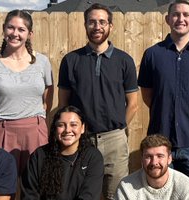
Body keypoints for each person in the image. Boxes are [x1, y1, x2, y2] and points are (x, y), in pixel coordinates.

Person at [57, 3, 138, 199]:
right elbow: (63, 105)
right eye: (92, 22)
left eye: (102, 22)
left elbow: (133, 103)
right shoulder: (71, 60)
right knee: (79, 193)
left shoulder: (124, 61)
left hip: (114, 142)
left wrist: (118, 130)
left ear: (111, 26)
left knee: (116, 195)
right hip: (80, 141)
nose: (97, 26)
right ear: (85, 25)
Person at [138, 0, 189, 194]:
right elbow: (148, 95)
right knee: (160, 194)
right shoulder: (152, 55)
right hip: (160, 140)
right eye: (175, 14)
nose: (180, 19)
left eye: (185, 15)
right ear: (167, 19)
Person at [0, 9, 53, 175]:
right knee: (1, 187)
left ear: (29, 34)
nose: (15, 33)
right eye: (11, 28)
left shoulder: (42, 62)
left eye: (21, 29)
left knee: (37, 186)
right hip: (2, 131)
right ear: (4, 29)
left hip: (35, 132)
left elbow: (47, 101)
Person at [21, 106, 104, 200]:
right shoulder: (39, 156)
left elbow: (89, 195)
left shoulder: (92, 157)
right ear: (55, 129)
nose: (67, 130)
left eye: (73, 125)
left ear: (82, 128)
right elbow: (29, 195)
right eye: (61, 125)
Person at [115, 134, 189, 200]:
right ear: (142, 159)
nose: (154, 162)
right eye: (148, 156)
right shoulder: (126, 187)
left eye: (160, 156)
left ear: (169, 159)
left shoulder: (186, 187)